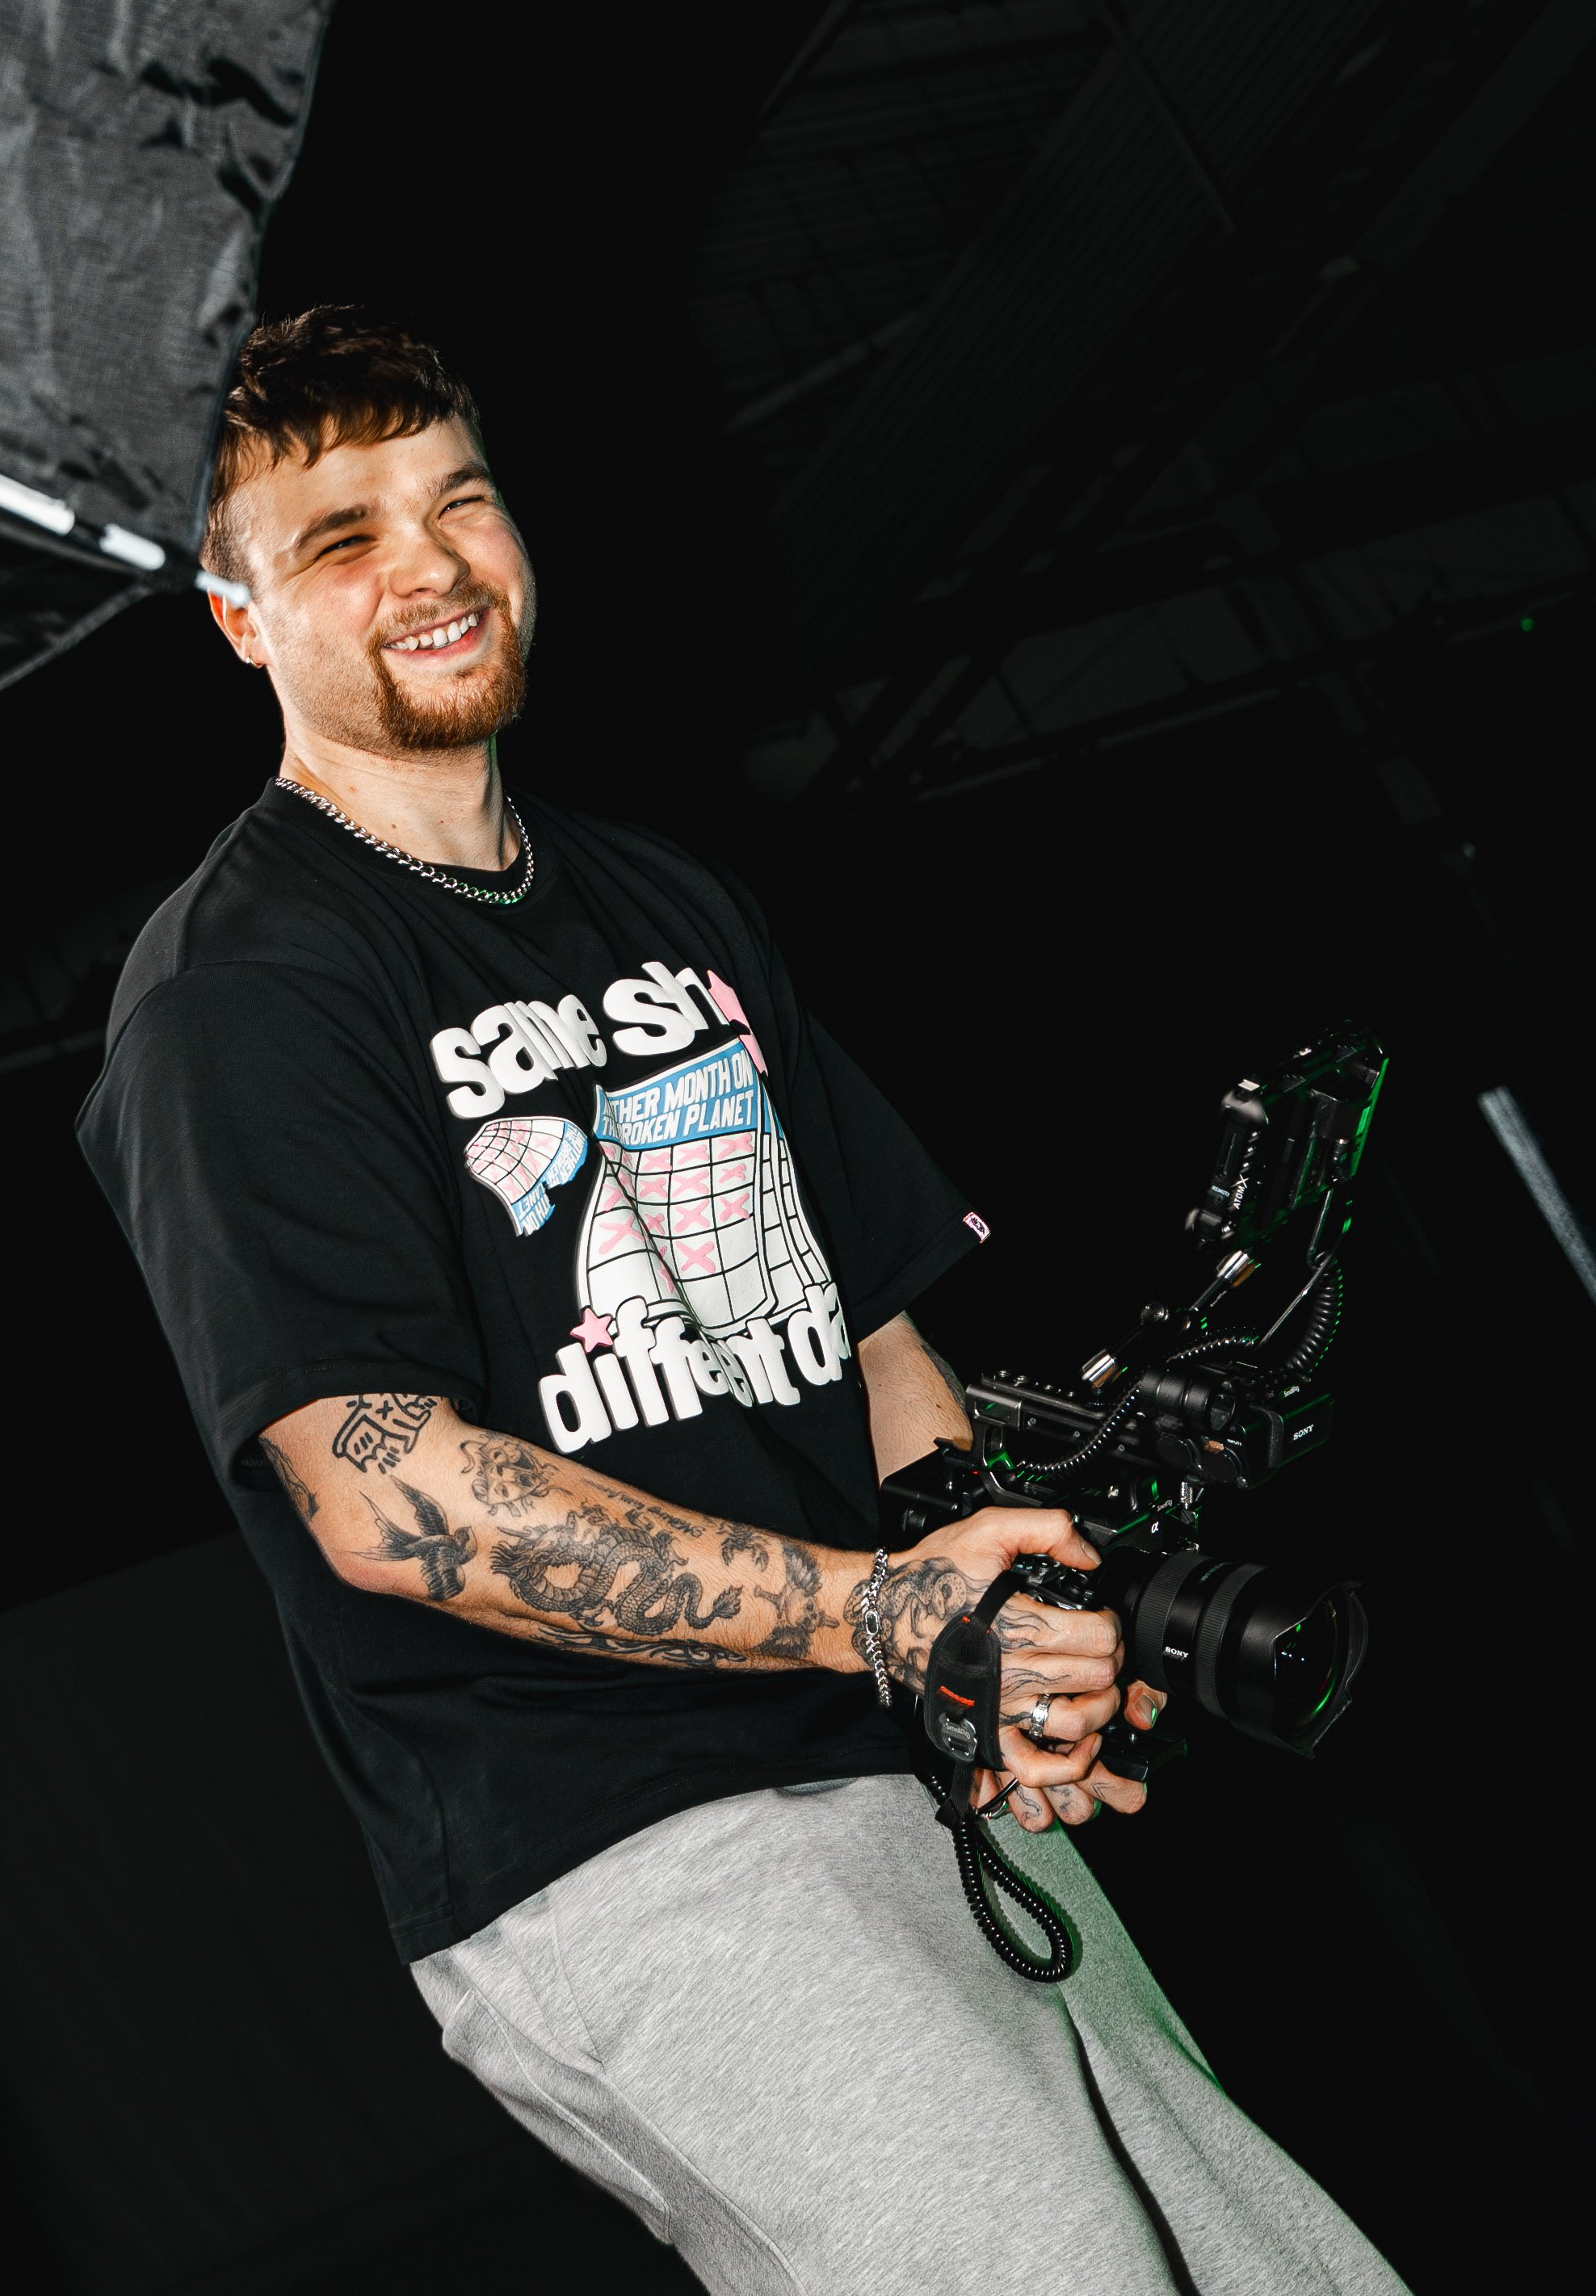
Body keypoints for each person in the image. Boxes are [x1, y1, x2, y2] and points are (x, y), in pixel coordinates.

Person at [78, 309, 1407, 2295]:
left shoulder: (668, 903)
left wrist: (996, 1630)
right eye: (340, 535)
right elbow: (385, 1491)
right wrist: (873, 1612)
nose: (430, 565)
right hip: (633, 1854)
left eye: (461, 500)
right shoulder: (241, 999)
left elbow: (868, 1332)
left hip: (899, 1774)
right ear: (238, 616)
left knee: (1279, 2272)